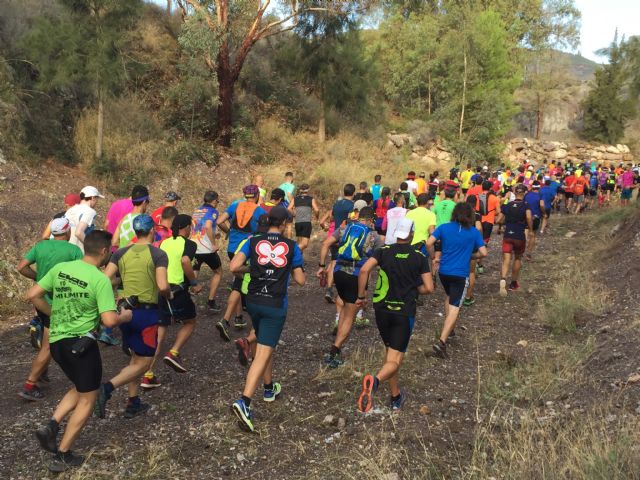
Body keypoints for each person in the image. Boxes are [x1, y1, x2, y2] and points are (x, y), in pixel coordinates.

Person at [27, 230, 132, 473]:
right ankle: (62, 454)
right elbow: (109, 321)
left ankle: (51, 425)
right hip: (81, 346)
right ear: (105, 251)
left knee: (81, 386)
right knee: (89, 396)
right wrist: (124, 316)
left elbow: (32, 295)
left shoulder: (62, 269)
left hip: (56, 342)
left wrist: (53, 314)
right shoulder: (99, 280)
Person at [230, 208, 305, 432]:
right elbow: (300, 280)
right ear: (282, 223)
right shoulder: (292, 246)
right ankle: (244, 401)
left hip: (253, 301)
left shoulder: (251, 240)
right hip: (275, 304)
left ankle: (269, 387)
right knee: (262, 353)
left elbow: (233, 267)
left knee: (264, 341)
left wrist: (252, 268)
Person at [355, 218, 433, 412]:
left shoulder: (383, 251)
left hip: (382, 310)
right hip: (403, 312)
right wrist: (415, 290)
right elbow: (429, 288)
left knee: (390, 353)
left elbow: (364, 270)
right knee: (395, 359)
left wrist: (361, 296)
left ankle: (395, 395)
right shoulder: (418, 256)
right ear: (412, 234)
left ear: (397, 234)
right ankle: (375, 381)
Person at [97, 215, 170, 416]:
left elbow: (104, 279)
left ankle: (133, 401)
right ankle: (107, 388)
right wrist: (168, 293)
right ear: (152, 230)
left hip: (125, 310)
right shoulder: (158, 253)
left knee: (136, 359)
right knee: (145, 362)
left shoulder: (120, 252)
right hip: (147, 313)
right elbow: (163, 285)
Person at [18, 218, 83, 401]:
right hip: (59, 303)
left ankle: (42, 372)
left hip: (40, 300)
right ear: (67, 231)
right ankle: (30, 384)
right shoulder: (74, 250)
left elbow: (21, 267)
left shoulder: (40, 247)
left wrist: (38, 277)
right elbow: (81, 275)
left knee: (50, 339)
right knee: (48, 346)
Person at [318, 207, 382, 368]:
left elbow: (325, 243)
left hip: (339, 272)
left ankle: (336, 349)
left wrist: (321, 266)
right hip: (356, 275)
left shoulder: (345, 227)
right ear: (371, 220)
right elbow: (379, 260)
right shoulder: (374, 235)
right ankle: (334, 351)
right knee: (349, 316)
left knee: (345, 308)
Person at [426, 203, 487, 358]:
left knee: (449, 296)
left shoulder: (444, 227)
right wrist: (473, 256)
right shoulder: (473, 232)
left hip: (444, 272)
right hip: (460, 273)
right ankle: (441, 341)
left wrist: (433, 257)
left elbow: (428, 243)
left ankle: (450, 328)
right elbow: (484, 253)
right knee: (456, 306)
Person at [152, 215, 202, 376]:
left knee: (160, 332)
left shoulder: (164, 242)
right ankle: (173, 352)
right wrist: (194, 283)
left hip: (161, 289)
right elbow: (186, 261)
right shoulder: (189, 244)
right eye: (191, 227)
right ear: (187, 227)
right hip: (177, 291)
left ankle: (148, 374)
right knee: (190, 322)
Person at [216, 185, 267, 339]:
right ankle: (225, 320)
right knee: (240, 284)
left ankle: (238, 318)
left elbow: (219, 221)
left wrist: (229, 232)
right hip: (247, 249)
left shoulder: (235, 205)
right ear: (257, 195)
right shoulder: (259, 211)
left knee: (238, 278)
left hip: (232, 249)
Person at [319, 184, 355, 303]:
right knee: (348, 264)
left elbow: (332, 218)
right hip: (346, 236)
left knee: (334, 261)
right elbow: (352, 220)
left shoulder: (337, 204)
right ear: (353, 193)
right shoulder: (352, 206)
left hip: (335, 235)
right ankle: (344, 291)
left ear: (344, 192)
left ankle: (329, 289)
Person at [497, 184, 533, 296]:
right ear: (525, 193)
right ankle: (513, 283)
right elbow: (528, 217)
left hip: (508, 234)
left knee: (506, 258)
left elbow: (498, 219)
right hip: (519, 235)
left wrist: (502, 225)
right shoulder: (526, 205)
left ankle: (503, 278)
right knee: (517, 257)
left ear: (515, 192)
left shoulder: (508, 205)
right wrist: (531, 229)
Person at [191, 191, 223, 312]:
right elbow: (208, 226)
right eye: (218, 201)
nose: (217, 204)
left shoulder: (197, 210)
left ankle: (191, 298)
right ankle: (211, 301)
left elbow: (198, 228)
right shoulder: (213, 211)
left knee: (195, 270)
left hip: (195, 246)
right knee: (218, 272)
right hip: (207, 249)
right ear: (214, 201)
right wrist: (214, 244)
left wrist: (214, 235)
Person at [64, 186, 104, 251]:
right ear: (92, 198)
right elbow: (78, 232)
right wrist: (91, 247)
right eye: (97, 199)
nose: (97, 202)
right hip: (78, 251)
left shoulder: (71, 210)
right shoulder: (90, 211)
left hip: (66, 249)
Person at [475, 181, 500, 274]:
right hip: (489, 222)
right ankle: (479, 264)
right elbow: (498, 211)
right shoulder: (494, 198)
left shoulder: (478, 197)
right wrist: (492, 214)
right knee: (484, 243)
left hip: (478, 220)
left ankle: (474, 263)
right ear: (490, 188)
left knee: (476, 242)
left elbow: (476, 209)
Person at [289, 183, 320, 251]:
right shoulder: (311, 199)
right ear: (308, 190)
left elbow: (289, 208)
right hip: (306, 223)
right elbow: (317, 210)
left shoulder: (295, 199)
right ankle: (292, 252)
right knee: (304, 244)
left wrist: (294, 214)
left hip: (298, 223)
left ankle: (298, 260)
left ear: (300, 190)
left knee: (300, 243)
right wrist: (317, 217)